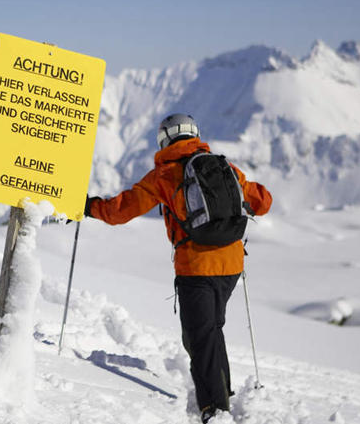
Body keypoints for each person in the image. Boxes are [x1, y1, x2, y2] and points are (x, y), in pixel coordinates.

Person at [84, 113, 272, 423]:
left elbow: (120, 211)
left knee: (199, 337)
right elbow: (263, 201)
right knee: (212, 330)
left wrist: (88, 206)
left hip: (196, 267)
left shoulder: (164, 175)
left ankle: (214, 409)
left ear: (165, 140)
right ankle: (222, 392)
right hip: (231, 264)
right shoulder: (224, 166)